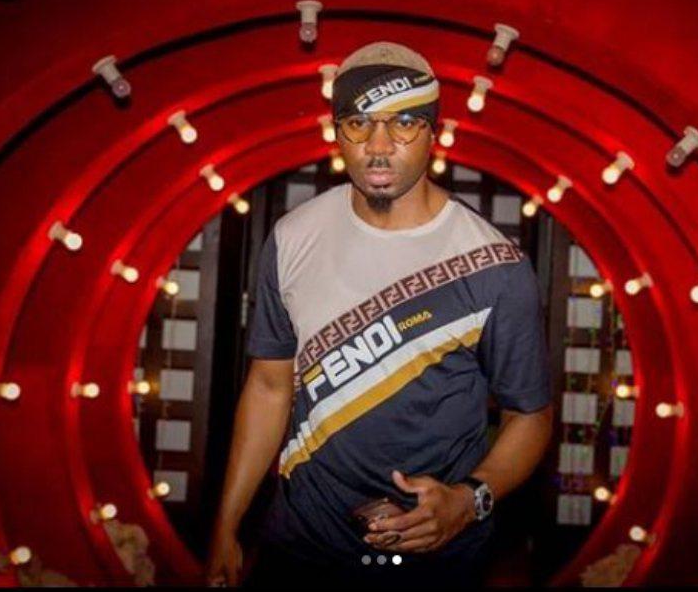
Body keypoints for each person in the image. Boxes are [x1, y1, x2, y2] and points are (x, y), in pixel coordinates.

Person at [205, 41, 553, 589]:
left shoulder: (495, 265)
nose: (379, 146)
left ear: (434, 132)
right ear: (337, 132)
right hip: (299, 546)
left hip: (436, 561)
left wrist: (468, 500)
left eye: (405, 123)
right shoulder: (292, 238)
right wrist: (227, 523)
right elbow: (270, 387)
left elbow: (529, 417)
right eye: (358, 123)